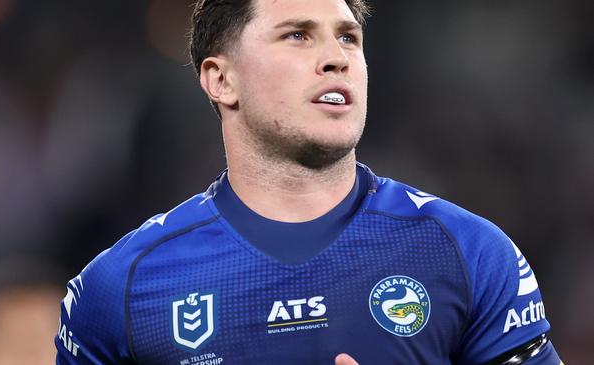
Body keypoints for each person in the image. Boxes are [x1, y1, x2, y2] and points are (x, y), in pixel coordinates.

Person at [55, 0, 564, 364]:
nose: (337, 57)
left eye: (348, 36)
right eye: (297, 34)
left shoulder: (468, 251)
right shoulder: (121, 288)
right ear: (221, 79)